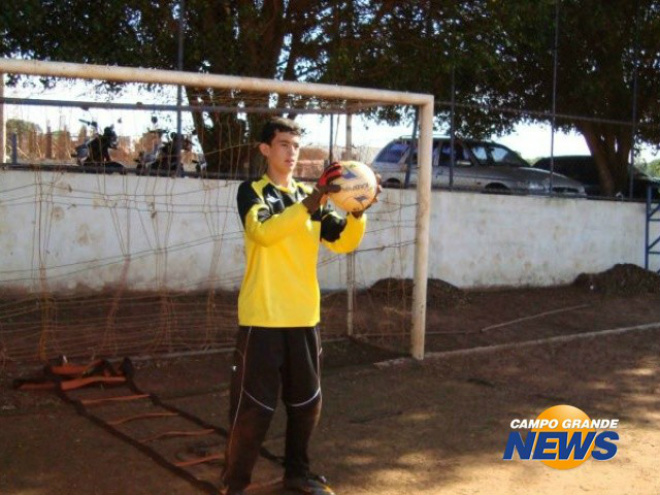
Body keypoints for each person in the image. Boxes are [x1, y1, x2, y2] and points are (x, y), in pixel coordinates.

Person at [222, 117, 379, 495]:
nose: (291, 152)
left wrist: (359, 210)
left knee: (306, 404)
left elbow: (342, 242)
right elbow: (263, 233)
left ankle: (297, 474)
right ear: (265, 149)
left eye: (295, 145)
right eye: (282, 144)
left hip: (304, 316)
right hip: (263, 316)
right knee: (254, 409)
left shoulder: (311, 197)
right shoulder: (252, 191)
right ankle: (236, 485)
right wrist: (311, 201)